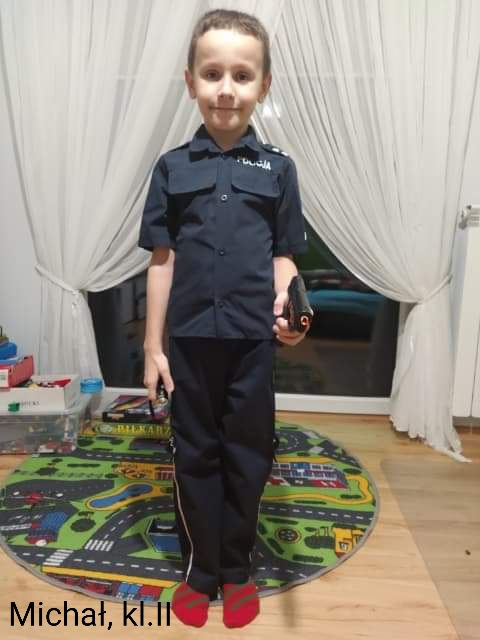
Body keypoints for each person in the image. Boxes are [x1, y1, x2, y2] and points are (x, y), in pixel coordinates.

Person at [138, 8, 310, 628]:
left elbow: (284, 258)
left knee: (248, 454)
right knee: (195, 453)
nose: (226, 89)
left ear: (263, 84)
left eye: (242, 75)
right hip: (188, 343)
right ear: (191, 82)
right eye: (212, 74)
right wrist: (153, 348)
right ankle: (200, 571)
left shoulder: (279, 170)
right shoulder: (171, 168)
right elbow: (161, 260)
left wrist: (294, 316)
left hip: (251, 345)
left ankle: (235, 569)